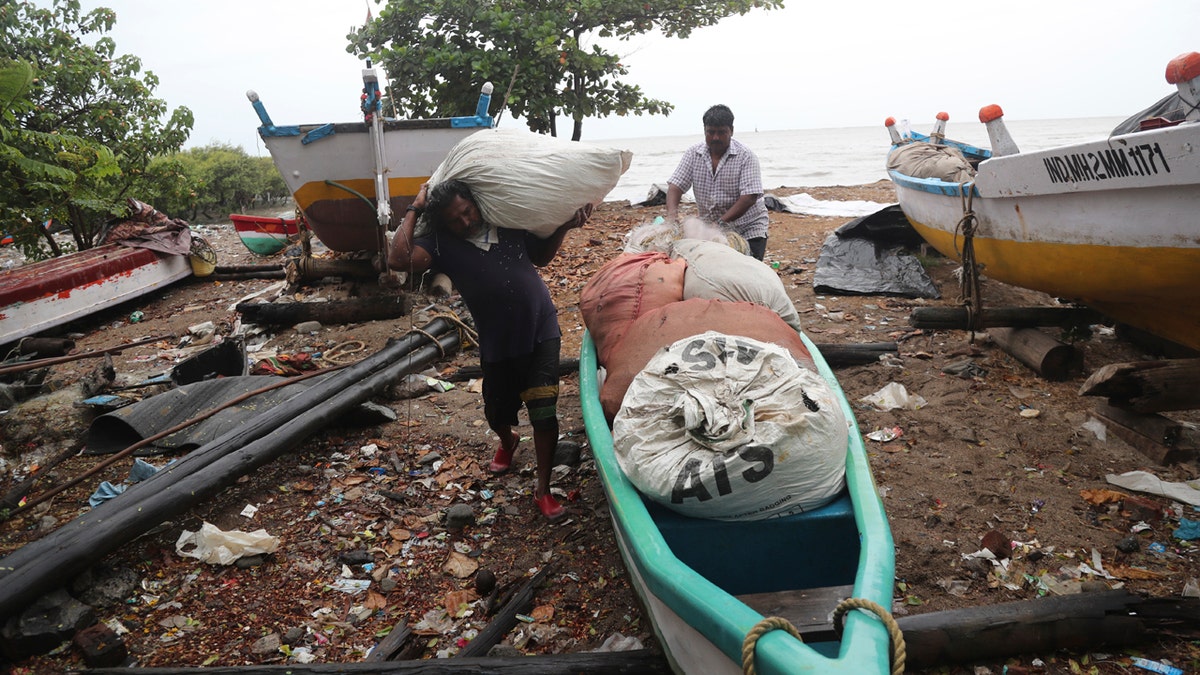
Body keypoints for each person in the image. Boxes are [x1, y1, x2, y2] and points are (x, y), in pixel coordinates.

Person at [387, 180, 590, 521]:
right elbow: (398, 259)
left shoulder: (506, 221)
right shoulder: (440, 243)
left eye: (467, 212)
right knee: (497, 412)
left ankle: (543, 489)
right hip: (497, 339)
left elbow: (539, 257)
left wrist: (565, 227)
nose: (465, 222)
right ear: (443, 222)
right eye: (455, 219)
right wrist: (415, 206)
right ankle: (508, 439)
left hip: (541, 326)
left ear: (476, 203)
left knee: (544, 410)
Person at [665, 104, 771, 260]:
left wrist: (720, 223)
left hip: (747, 227)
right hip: (710, 229)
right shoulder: (693, 154)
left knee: (747, 272)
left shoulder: (746, 156)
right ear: (704, 131)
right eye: (711, 132)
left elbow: (749, 197)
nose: (715, 137)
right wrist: (672, 216)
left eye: (721, 132)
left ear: (731, 131)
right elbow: (675, 187)